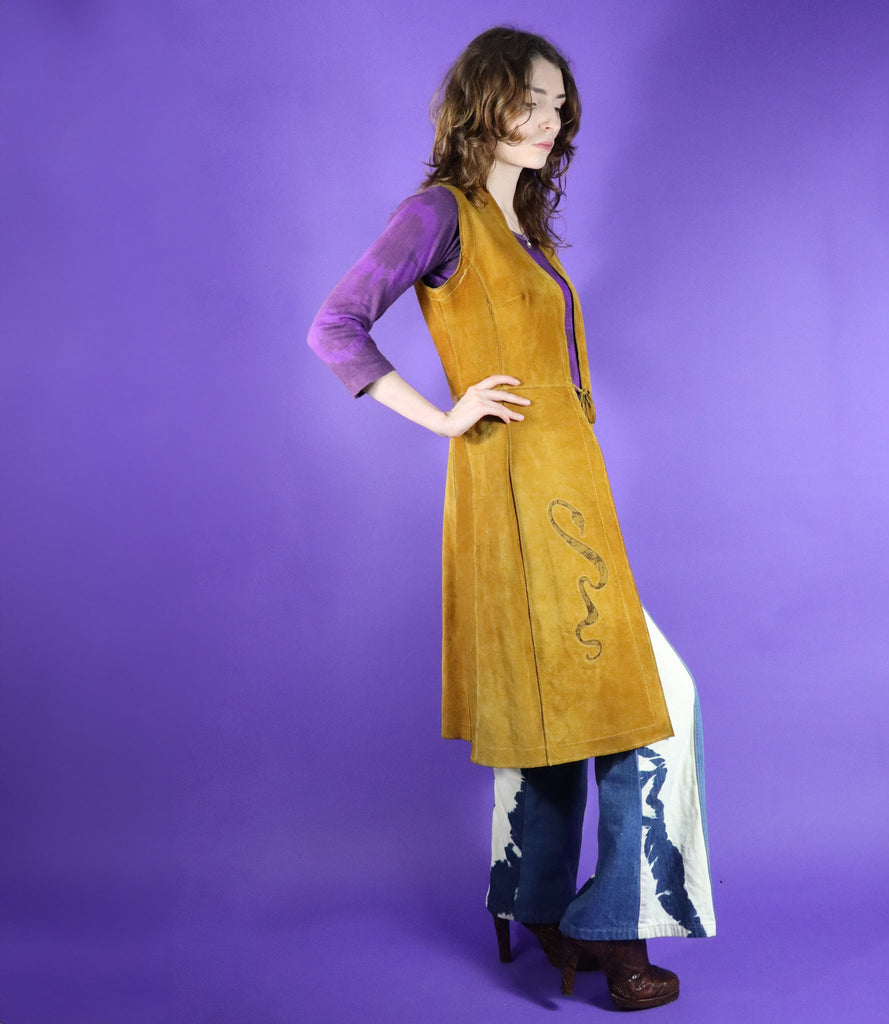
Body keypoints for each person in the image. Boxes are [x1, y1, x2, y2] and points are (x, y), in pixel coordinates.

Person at [308, 26, 715, 1011]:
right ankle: (612, 927)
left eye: (560, 105)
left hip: (571, 492)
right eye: (531, 99)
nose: (550, 120)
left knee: (562, 705)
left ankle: (533, 901)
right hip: (519, 498)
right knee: (646, 704)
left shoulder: (524, 229)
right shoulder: (437, 215)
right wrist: (444, 416)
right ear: (483, 101)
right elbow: (335, 325)